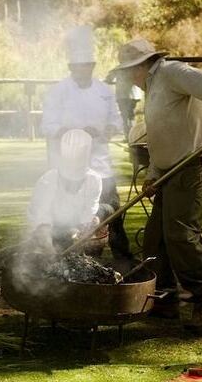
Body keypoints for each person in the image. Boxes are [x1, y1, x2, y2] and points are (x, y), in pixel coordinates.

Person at [112, 38, 202, 330]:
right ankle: (166, 300)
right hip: (169, 172)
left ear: (144, 65)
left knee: (180, 234)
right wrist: (153, 174)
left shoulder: (172, 72)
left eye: (131, 70)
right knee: (155, 238)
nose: (129, 77)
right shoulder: (152, 90)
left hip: (192, 168)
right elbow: (161, 137)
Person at [41, 25, 133, 261]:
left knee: (112, 210)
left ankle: (122, 257)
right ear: (71, 67)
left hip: (100, 162)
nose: (83, 70)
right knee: (63, 212)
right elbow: (47, 125)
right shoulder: (58, 91)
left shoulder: (104, 91)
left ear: (92, 67)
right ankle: (63, 255)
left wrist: (104, 131)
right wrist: (69, 132)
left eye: (87, 66)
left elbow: (116, 122)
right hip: (66, 164)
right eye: (78, 66)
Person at [26, 129, 103, 253]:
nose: (74, 185)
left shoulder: (94, 180)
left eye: (78, 182)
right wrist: (49, 249)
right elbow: (42, 221)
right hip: (51, 227)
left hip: (73, 225)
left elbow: (88, 213)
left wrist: (85, 231)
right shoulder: (47, 181)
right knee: (50, 248)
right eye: (69, 181)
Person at [107, 68, 143, 140]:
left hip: (123, 95)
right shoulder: (134, 66)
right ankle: (133, 136)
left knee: (125, 116)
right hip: (134, 96)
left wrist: (117, 82)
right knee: (131, 116)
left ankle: (129, 136)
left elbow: (108, 79)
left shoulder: (118, 69)